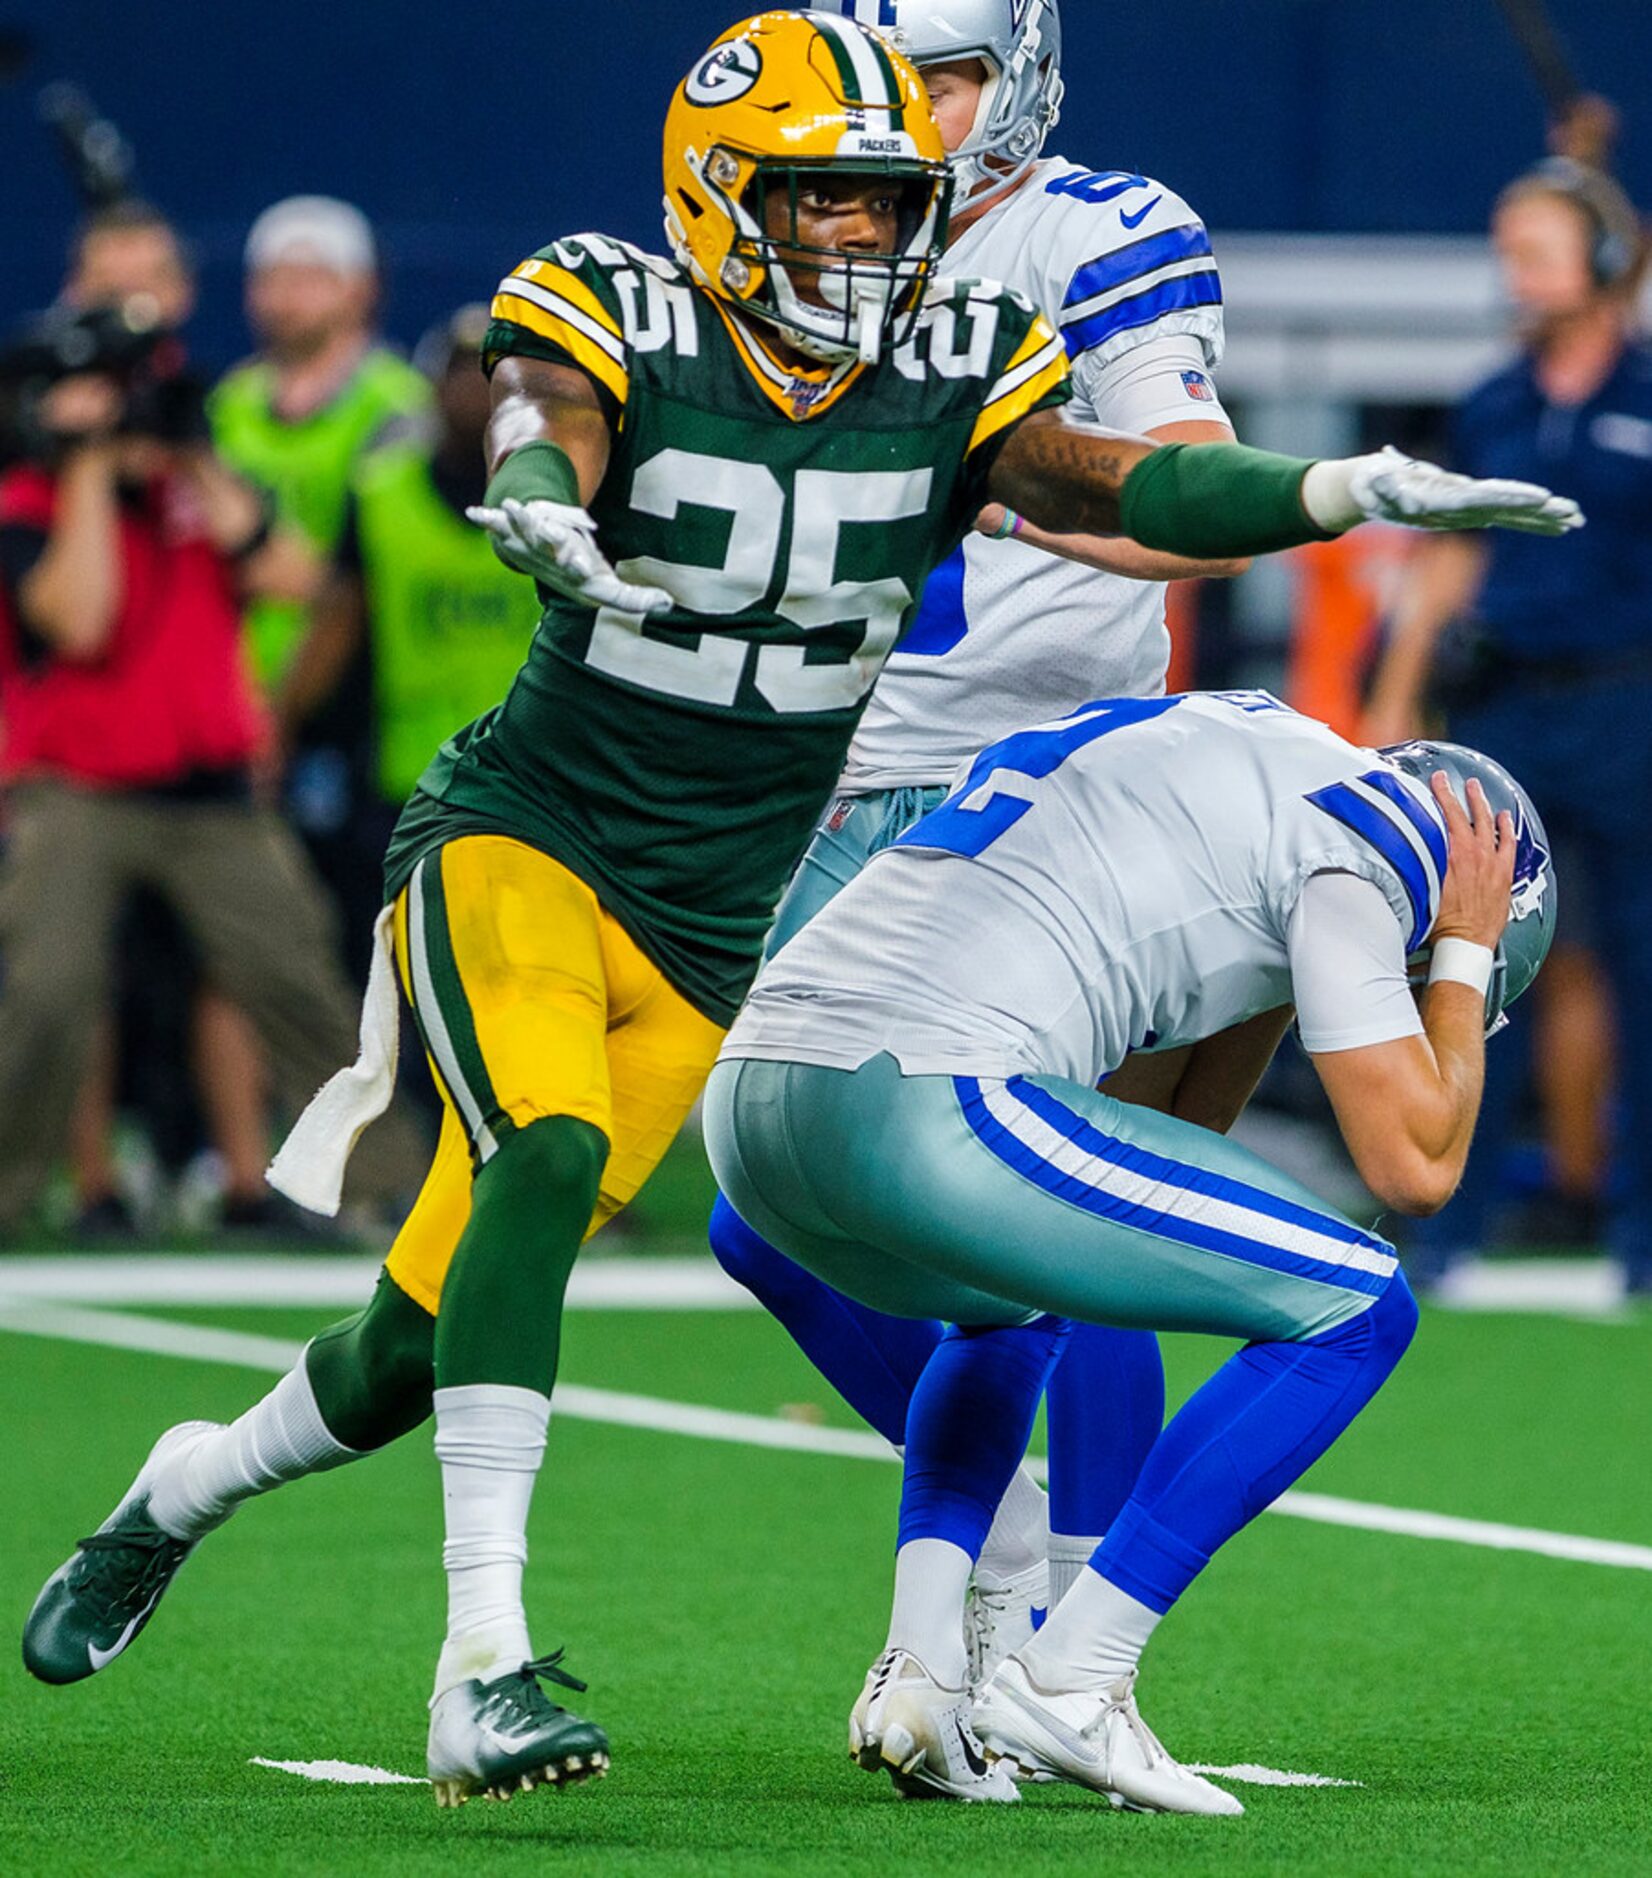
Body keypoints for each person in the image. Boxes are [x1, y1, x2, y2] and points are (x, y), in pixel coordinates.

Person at [22, 11, 1576, 1811]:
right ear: (718, 190)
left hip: (720, 890)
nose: (861, 229)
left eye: (886, 195)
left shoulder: (955, 358)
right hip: (536, 825)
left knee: (408, 1336)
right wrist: (536, 495)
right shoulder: (620, 297)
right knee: (550, 1154)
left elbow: (1127, 481)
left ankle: (189, 1480)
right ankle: (485, 1660)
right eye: (825, 191)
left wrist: (1329, 489)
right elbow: (545, 405)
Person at [704, 694, 1556, 1813]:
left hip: (754, 1114)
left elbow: (1165, 1129)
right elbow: (1414, 1167)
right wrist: (1457, 954)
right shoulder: (1369, 840)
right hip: (925, 1098)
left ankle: (924, 1670)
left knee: (1025, 1291)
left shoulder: (1247, 762)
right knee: (1358, 1306)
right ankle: (1074, 1673)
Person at [707, 0, 1249, 1720]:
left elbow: (1185, 474)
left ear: (1013, 74)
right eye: (878, 87)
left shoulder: (1095, 229)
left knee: (1045, 1217)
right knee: (760, 1211)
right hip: (834, 773)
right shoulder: (811, 228)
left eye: (937, 81)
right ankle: (1005, 1545)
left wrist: (992, 489)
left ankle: (1084, 1642)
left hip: (1036, 777)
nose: (904, 120)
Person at [0, 205, 426, 1238]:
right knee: (48, 992)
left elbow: (292, 573)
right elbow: (80, 617)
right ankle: (18, 1192)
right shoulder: (36, 466)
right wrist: (95, 463)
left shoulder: (207, 434)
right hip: (80, 781)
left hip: (215, 784)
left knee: (300, 987)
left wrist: (187, 457)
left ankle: (400, 1194)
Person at [1364, 159, 1652, 1293]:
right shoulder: (1491, 401)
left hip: (1631, 710)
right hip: (1509, 709)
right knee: (1475, 963)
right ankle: (1446, 1221)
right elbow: (1450, 555)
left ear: (1598, 264)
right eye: (1505, 252)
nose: (1512, 276)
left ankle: (1638, 1236)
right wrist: (1393, 695)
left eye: (1531, 251)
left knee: (1640, 968)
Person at [210, 195, 433, 978]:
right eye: (273, 276)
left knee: (357, 936)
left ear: (361, 288)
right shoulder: (226, 406)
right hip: (233, 697)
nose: (288, 294)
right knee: (231, 944)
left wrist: (260, 553)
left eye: (311, 276)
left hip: (354, 710)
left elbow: (345, 577)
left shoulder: (402, 408)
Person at [278, 305, 540, 852]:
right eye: (461, 372)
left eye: (493, 375)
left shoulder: (561, 499)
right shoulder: (380, 495)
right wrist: (279, 722)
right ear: (430, 388)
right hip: (409, 785)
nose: (477, 390)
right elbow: (336, 623)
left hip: (534, 786)